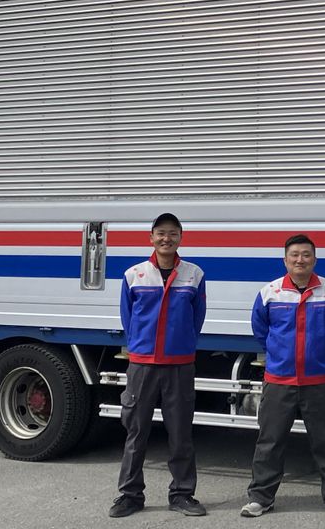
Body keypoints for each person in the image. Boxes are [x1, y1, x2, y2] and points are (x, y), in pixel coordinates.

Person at [241, 234, 325, 519]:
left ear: (314, 259)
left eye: (306, 254)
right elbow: (261, 331)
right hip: (279, 380)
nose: (300, 260)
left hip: (319, 381)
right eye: (294, 255)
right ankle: (261, 498)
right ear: (285, 260)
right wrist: (281, 356)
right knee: (270, 442)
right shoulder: (270, 292)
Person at [109, 213, 207, 518]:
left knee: (181, 434)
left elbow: (197, 317)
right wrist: (141, 346)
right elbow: (128, 317)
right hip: (143, 366)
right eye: (161, 233)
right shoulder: (134, 275)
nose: (167, 238)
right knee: (136, 432)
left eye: (173, 233)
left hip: (179, 365)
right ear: (151, 237)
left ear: (181, 238)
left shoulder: (194, 275)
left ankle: (182, 494)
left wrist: (181, 344)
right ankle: (130, 495)